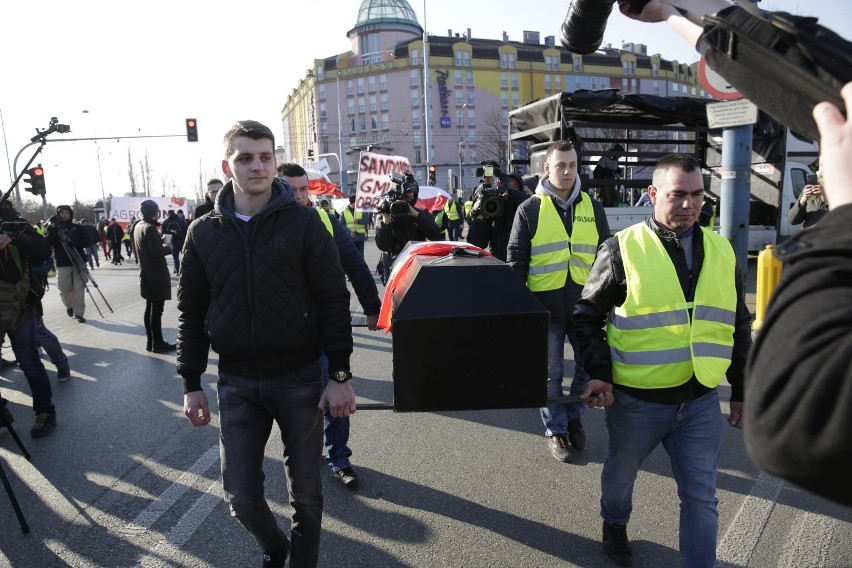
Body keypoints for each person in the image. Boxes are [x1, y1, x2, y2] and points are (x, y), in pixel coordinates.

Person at [179, 120, 355, 568]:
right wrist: (191, 382)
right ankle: (276, 549)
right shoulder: (202, 232)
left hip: (299, 378)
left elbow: (334, 296)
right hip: (236, 382)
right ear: (227, 165)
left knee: (308, 498)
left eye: (265, 156)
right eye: (245, 157)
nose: (257, 166)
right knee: (240, 497)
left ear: (275, 162)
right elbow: (191, 312)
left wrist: (339, 375)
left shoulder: (304, 223)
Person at [574, 153, 752, 568]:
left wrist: (742, 388)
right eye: (677, 195)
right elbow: (585, 315)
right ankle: (614, 524)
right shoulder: (621, 248)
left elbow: (737, 323)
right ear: (652, 194)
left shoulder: (722, 249)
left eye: (697, 195)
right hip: (638, 402)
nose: (690, 205)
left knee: (701, 496)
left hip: (700, 401)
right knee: (620, 478)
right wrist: (600, 373)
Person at [746, 83, 852, 507]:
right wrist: (806, 201)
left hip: (830, 264)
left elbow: (784, 436)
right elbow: (789, 218)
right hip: (817, 256)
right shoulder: (812, 195)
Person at [279, 162, 381, 490]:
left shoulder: (326, 219)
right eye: (289, 189)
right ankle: (305, 456)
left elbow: (355, 264)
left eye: (302, 189)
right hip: (286, 333)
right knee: (298, 402)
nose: (297, 196)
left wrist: (372, 308)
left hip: (325, 326)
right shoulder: (264, 223)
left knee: (335, 392)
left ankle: (338, 457)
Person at [507, 140, 609, 463]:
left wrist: (607, 303)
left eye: (573, 165)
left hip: (585, 311)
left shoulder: (593, 208)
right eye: (560, 165)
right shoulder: (529, 209)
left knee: (585, 369)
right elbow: (516, 261)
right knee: (548, 375)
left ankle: (573, 415)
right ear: (546, 168)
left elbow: (607, 258)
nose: (567, 171)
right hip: (545, 309)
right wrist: (520, 310)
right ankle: (556, 430)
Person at [0, 200, 58, 437]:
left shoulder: (13, 220)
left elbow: (42, 250)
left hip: (20, 306)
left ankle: (45, 412)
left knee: (29, 362)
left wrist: (13, 236)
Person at [374, 172, 442, 284]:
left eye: (410, 194)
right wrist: (386, 220)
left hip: (417, 265)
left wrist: (416, 215)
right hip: (393, 267)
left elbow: (435, 235)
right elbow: (383, 245)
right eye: (402, 195)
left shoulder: (419, 214)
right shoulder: (384, 216)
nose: (404, 199)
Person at [134, 200, 176, 354]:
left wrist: (160, 242)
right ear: (154, 212)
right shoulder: (150, 228)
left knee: (150, 308)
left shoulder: (139, 225)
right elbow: (157, 252)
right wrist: (169, 247)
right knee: (156, 310)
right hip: (156, 274)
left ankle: (151, 341)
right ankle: (158, 343)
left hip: (146, 272)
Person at [467, 172, 530, 262]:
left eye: (515, 186)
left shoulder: (526, 209)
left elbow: (526, 202)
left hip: (523, 264)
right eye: (502, 187)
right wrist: (480, 216)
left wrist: (509, 191)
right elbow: (476, 243)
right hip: (499, 264)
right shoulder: (493, 212)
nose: (506, 191)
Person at [46, 205, 89, 323]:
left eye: (67, 213)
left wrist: (74, 243)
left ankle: (79, 313)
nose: (64, 215)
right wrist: (51, 232)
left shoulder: (77, 228)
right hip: (62, 263)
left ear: (70, 215)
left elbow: (87, 241)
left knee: (79, 288)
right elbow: (47, 243)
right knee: (64, 289)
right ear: (58, 215)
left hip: (78, 262)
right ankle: (69, 306)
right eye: (62, 213)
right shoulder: (53, 228)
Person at [161, 209, 187, 274]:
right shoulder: (181, 220)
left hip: (172, 242)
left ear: (167, 214)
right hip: (182, 241)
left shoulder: (165, 222)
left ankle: (178, 271)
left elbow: (164, 234)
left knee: (175, 258)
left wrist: (167, 244)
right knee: (185, 257)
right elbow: (186, 230)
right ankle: (186, 270)